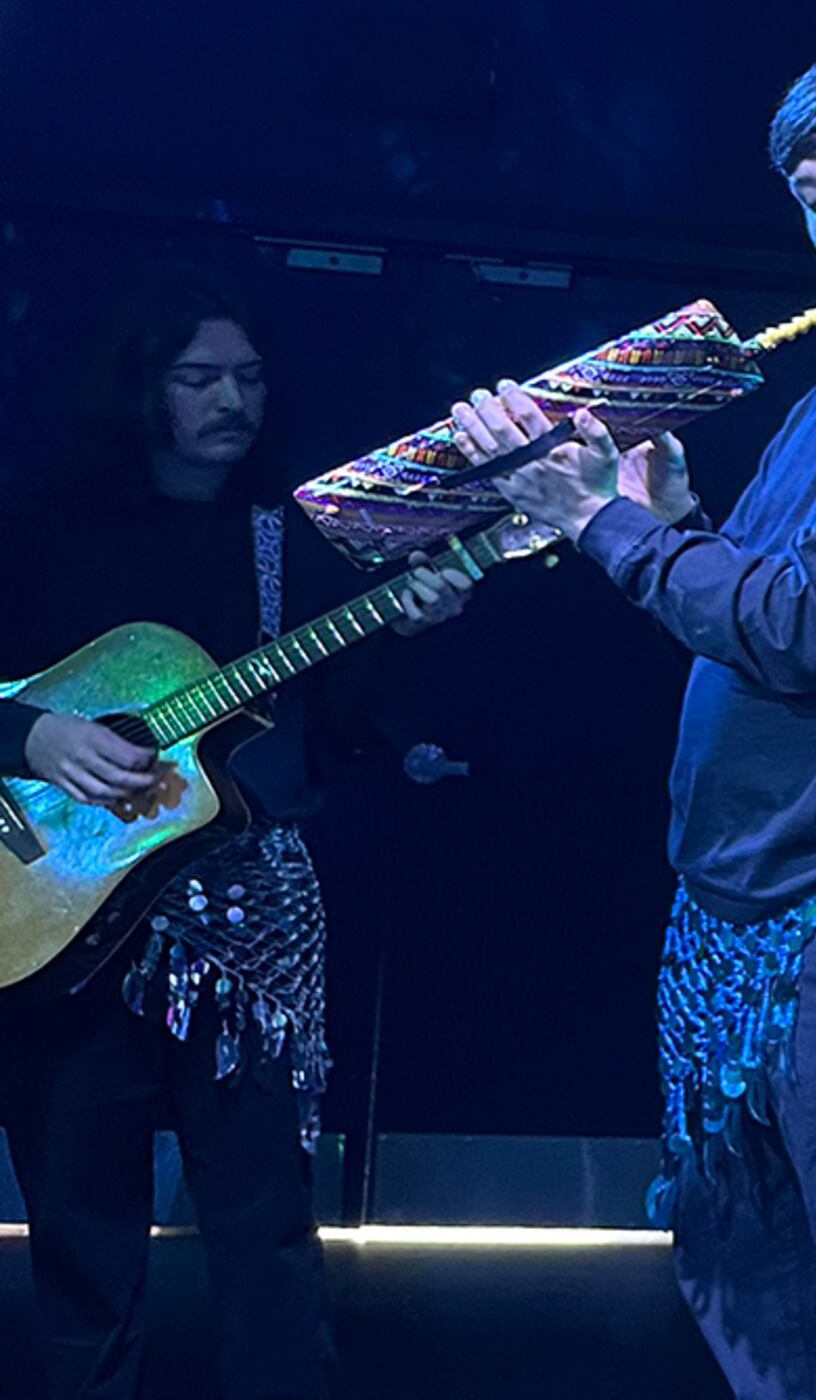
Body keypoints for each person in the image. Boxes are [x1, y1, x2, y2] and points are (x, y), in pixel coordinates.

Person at [451, 54, 816, 1400]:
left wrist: (600, 524)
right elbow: (768, 617)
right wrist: (668, 527)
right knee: (759, 1299)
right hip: (740, 904)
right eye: (814, 192)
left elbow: (799, 628)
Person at [0, 274, 473, 1400]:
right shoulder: (41, 523)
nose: (232, 401)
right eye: (200, 377)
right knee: (80, 1235)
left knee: (266, 1235)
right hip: (55, 920)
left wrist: (414, 629)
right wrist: (31, 734)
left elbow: (349, 724)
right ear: (143, 387)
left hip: (246, 924)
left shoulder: (292, 542)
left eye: (250, 378)